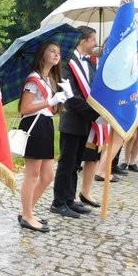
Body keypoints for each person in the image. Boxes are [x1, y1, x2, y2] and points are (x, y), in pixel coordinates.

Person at [18, 41, 68, 232]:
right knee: (32, 175)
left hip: (45, 125)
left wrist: (62, 98)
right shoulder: (33, 79)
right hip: (34, 126)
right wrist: (49, 101)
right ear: (42, 54)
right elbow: (25, 108)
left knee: (47, 176)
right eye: (52, 51)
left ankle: (28, 211)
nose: (57, 54)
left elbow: (51, 110)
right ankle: (27, 215)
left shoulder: (49, 79)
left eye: (58, 52)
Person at [51, 26, 98, 219]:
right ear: (83, 41)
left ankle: (70, 199)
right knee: (67, 163)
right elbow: (71, 97)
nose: (96, 43)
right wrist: (94, 114)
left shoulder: (91, 64)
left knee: (76, 163)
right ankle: (59, 202)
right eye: (93, 39)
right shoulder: (67, 64)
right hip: (72, 120)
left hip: (85, 122)